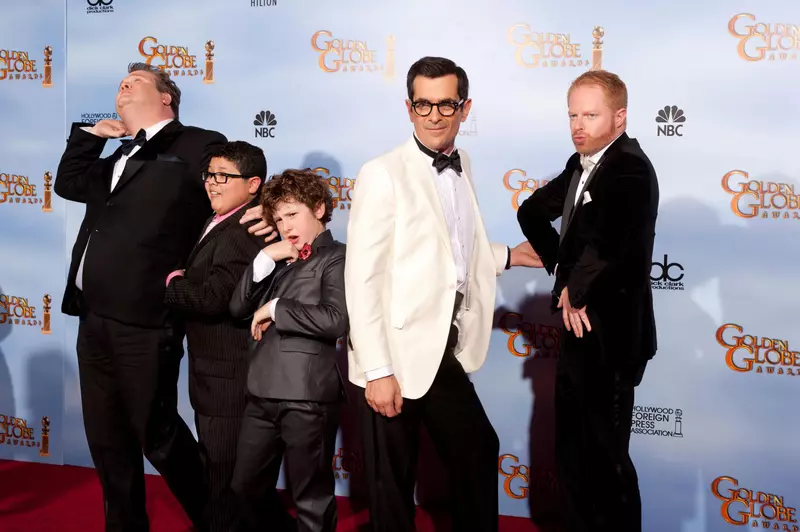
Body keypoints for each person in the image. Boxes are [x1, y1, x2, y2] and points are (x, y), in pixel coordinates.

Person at [54, 63, 267, 532]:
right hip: (94, 320)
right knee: (107, 442)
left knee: (159, 436)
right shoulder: (115, 157)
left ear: (166, 97)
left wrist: (268, 218)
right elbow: (67, 184)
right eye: (119, 84)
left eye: (136, 82)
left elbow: (236, 187)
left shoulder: (196, 143)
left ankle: (220, 522)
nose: (123, 87)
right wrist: (92, 135)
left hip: (147, 321)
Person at [343, 56, 539, 532]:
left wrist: (508, 256)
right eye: (423, 104)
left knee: (476, 448)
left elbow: (450, 248)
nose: (434, 115)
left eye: (445, 104)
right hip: (390, 351)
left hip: (439, 345)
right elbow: (362, 276)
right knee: (393, 484)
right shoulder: (382, 172)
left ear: (464, 108)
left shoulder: (463, 162)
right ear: (409, 108)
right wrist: (378, 370)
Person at [516, 70, 659, 532]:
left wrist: (574, 288)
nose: (578, 124)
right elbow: (532, 211)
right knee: (572, 456)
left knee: (607, 460)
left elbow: (610, 239)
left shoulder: (631, 168)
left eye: (590, 114)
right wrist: (561, 271)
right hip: (576, 332)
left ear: (619, 116)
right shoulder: (581, 162)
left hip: (612, 338)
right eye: (573, 115)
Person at [163, 141, 291, 532]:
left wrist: (172, 281)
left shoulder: (241, 233)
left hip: (229, 382)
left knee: (226, 487)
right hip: (218, 378)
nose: (212, 184)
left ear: (253, 184)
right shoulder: (225, 219)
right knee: (235, 482)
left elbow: (212, 298)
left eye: (224, 176)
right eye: (210, 175)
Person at [229, 169, 347, 532]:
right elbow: (236, 309)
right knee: (244, 489)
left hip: (307, 396)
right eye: (278, 219)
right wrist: (265, 257)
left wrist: (276, 308)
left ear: (320, 208)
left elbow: (335, 319)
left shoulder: (339, 257)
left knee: (311, 500)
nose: (285, 225)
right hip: (261, 392)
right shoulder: (278, 258)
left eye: (292, 214)